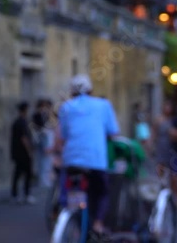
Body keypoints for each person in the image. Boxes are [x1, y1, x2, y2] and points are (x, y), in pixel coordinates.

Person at [58, 74, 120, 239]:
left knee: (70, 189)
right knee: (102, 192)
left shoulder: (66, 107)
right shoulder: (103, 105)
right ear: (91, 90)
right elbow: (113, 132)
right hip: (95, 160)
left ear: (71, 92)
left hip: (71, 159)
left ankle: (71, 217)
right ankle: (98, 223)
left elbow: (63, 135)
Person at [11, 102, 36, 204]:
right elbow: (24, 138)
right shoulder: (22, 122)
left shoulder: (18, 122)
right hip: (23, 153)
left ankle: (15, 194)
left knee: (17, 174)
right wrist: (29, 151)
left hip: (17, 152)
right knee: (26, 174)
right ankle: (25, 194)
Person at [151, 100, 175, 177]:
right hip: (161, 143)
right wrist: (151, 144)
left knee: (170, 164)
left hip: (170, 144)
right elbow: (154, 132)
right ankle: (161, 181)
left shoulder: (172, 119)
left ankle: (168, 183)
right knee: (161, 163)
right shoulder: (158, 119)